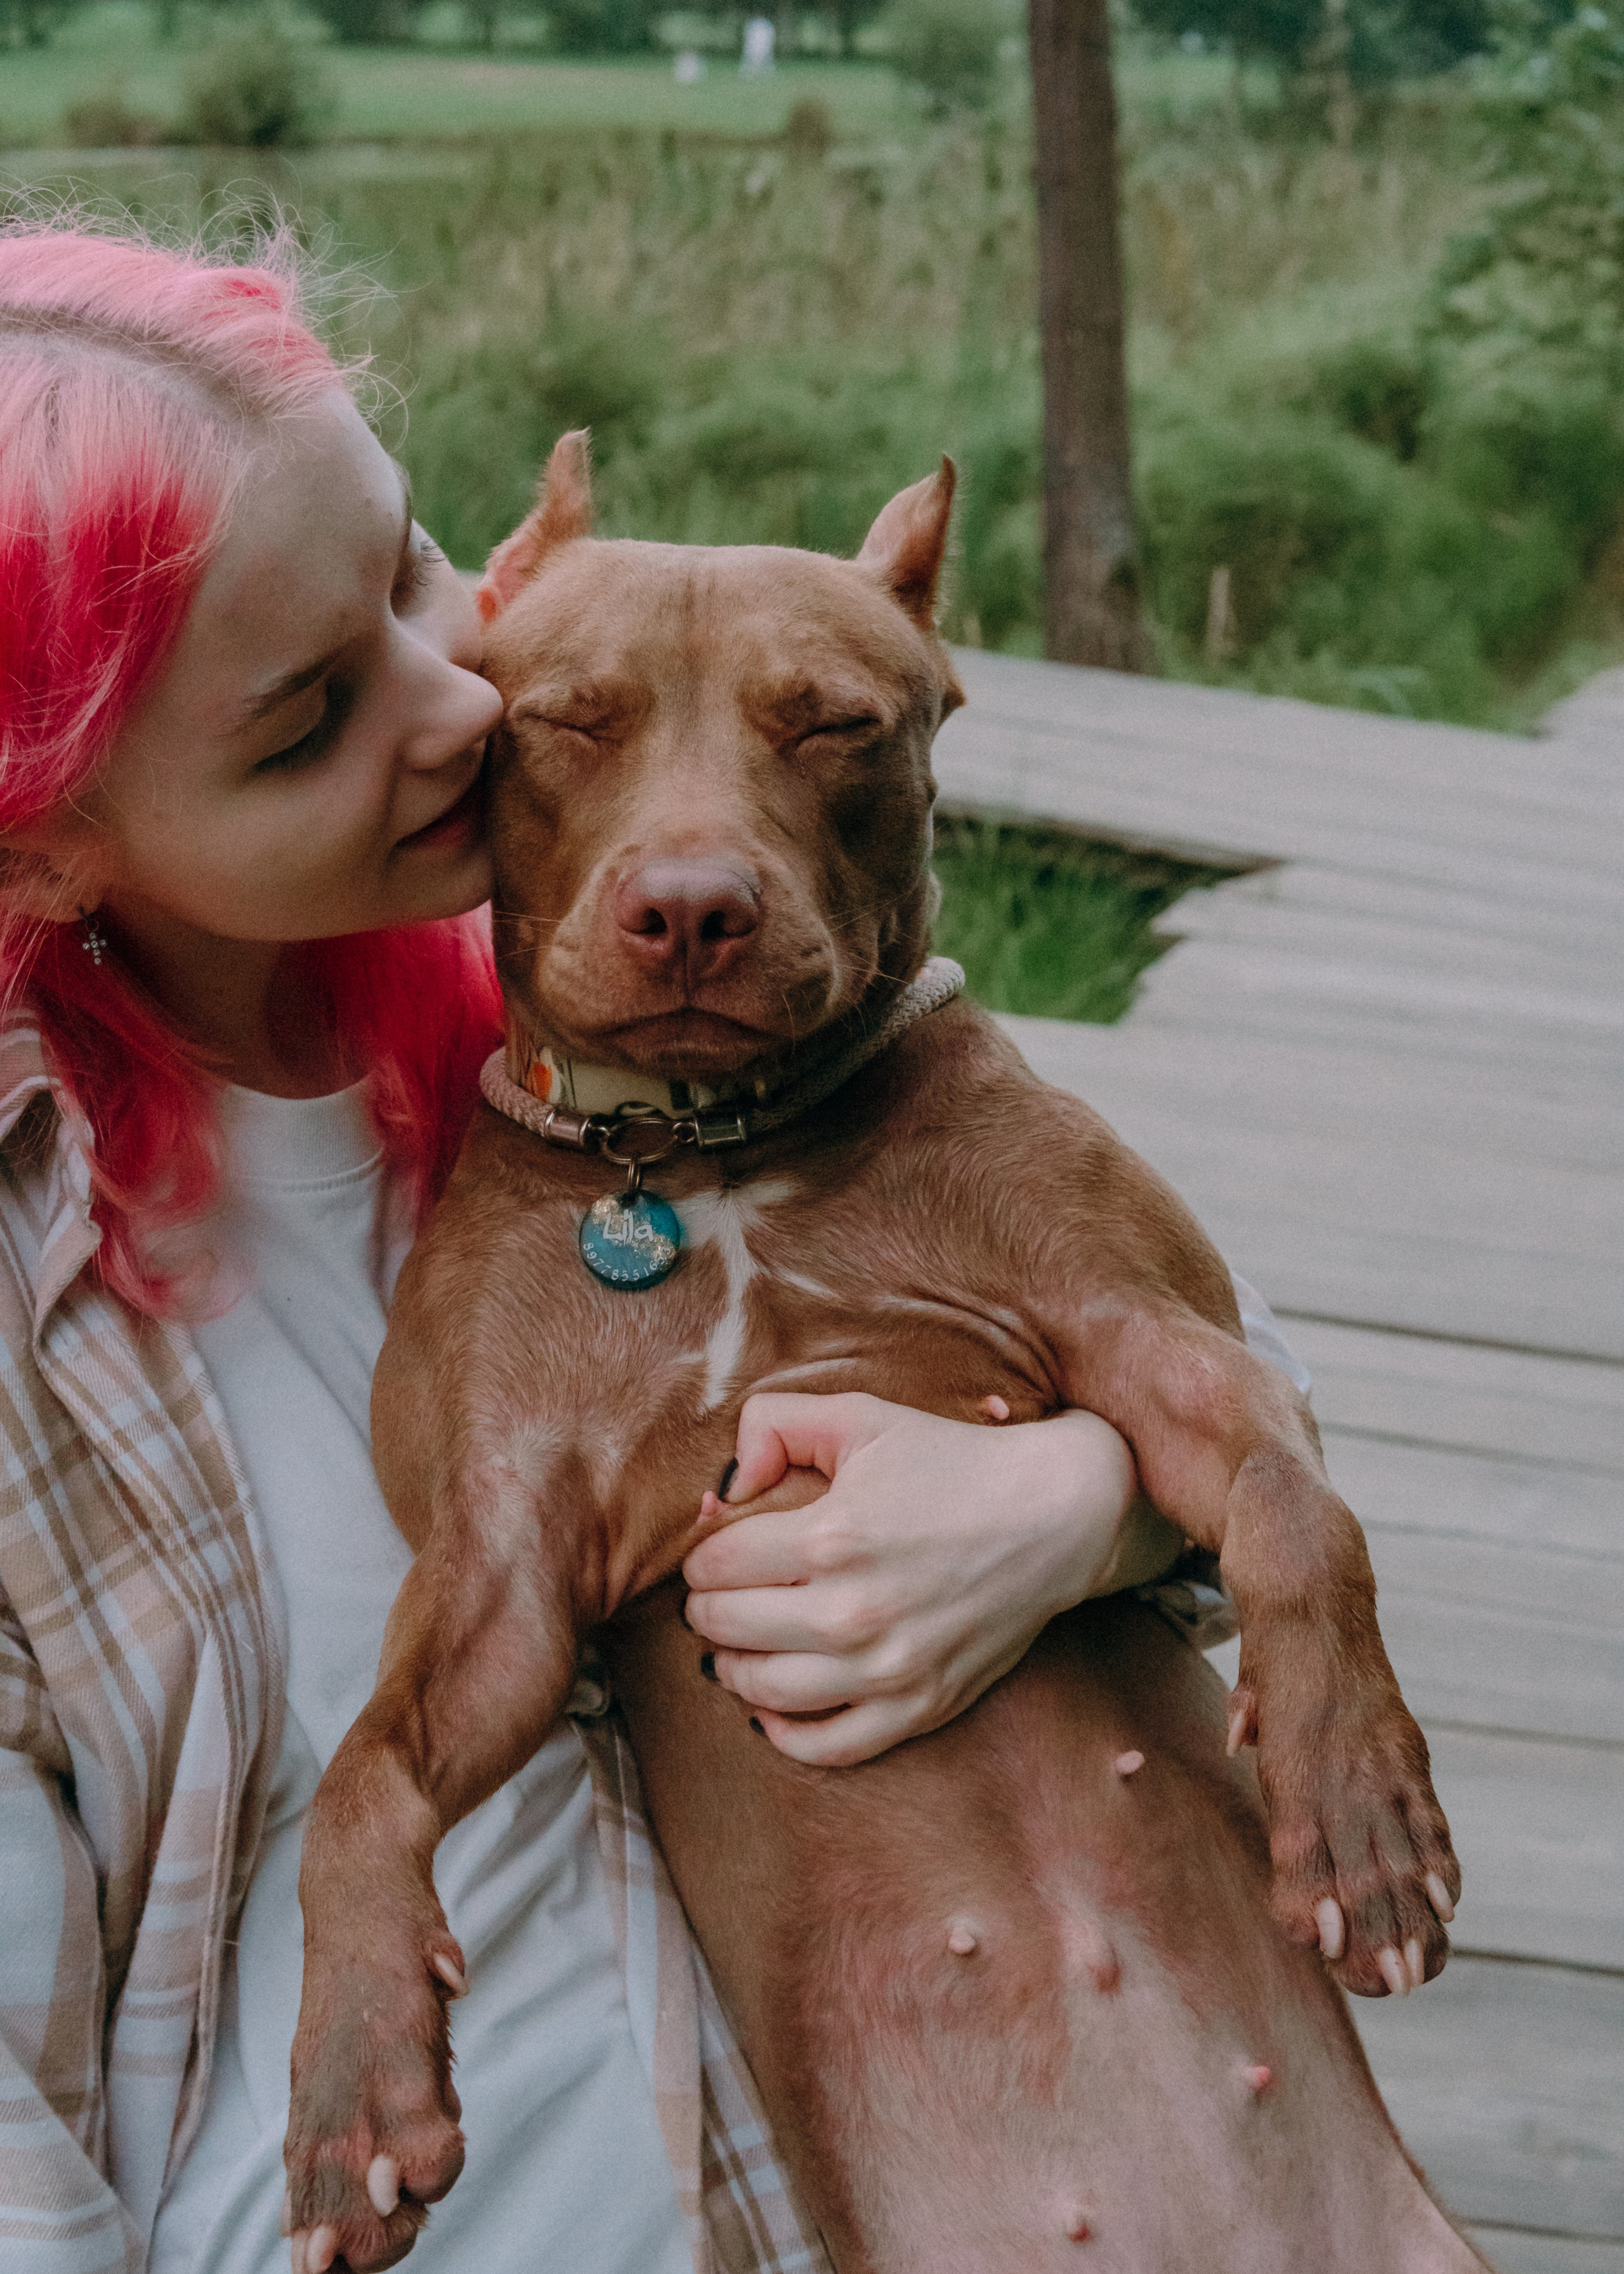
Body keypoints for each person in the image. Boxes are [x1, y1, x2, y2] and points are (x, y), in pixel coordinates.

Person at [0, 220, 1304, 2274]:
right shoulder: (29, 1314)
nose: (460, 702)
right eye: (310, 713)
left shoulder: (637, 1021)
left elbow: (1213, 1359)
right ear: (45, 832)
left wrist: (1080, 1501)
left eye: (428, 573)